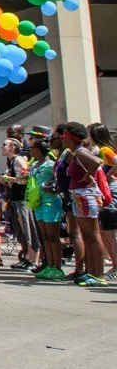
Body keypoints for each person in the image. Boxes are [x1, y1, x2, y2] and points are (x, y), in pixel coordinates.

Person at [60, 121, 106, 287]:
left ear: (71, 138)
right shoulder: (75, 152)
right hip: (79, 196)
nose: (61, 139)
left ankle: (99, 274)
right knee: (87, 236)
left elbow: (96, 162)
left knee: (93, 235)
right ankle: (91, 272)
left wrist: (87, 175)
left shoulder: (80, 152)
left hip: (86, 195)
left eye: (64, 136)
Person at [28, 137, 66, 280]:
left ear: (38, 149)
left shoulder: (51, 164)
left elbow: (59, 180)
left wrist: (53, 187)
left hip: (51, 201)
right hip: (38, 202)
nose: (30, 151)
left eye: (32, 148)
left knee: (53, 236)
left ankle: (57, 267)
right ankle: (49, 265)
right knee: (44, 236)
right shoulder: (35, 165)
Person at [0, 138, 38, 271]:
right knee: (21, 230)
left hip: (22, 199)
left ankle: (34, 260)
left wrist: (8, 179)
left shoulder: (18, 160)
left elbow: (25, 179)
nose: (2, 147)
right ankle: (28, 258)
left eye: (4, 145)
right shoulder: (11, 161)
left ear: (12, 147)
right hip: (15, 199)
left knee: (28, 229)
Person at [86, 123, 117, 280]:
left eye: (89, 133)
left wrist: (106, 176)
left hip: (109, 190)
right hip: (102, 190)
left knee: (109, 229)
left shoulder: (105, 150)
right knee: (105, 229)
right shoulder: (96, 150)